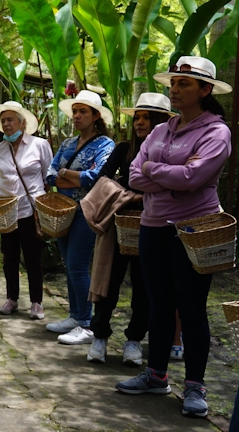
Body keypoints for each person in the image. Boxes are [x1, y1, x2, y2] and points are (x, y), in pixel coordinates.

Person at [116, 56, 232, 419]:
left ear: (205, 90)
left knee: (193, 309)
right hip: (152, 226)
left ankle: (195, 385)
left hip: (195, 231)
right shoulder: (161, 129)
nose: (175, 88)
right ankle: (156, 374)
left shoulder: (216, 132)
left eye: (185, 83)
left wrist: (157, 169)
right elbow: (135, 175)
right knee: (159, 304)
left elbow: (193, 179)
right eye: (174, 82)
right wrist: (168, 171)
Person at [84, 93, 174, 365]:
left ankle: (134, 340)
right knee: (107, 281)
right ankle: (99, 336)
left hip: (154, 225)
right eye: (138, 117)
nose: (140, 122)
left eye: (147, 117)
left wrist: (132, 187)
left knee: (145, 287)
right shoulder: (124, 149)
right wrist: (133, 192)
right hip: (117, 225)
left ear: (160, 122)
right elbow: (104, 178)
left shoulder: (170, 152)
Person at [44, 90, 115, 343]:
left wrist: (66, 174)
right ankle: (75, 315)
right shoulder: (66, 144)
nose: (76, 116)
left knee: (77, 265)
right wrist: (71, 175)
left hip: (87, 211)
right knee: (69, 264)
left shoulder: (106, 145)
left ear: (96, 116)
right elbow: (50, 175)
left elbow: (95, 178)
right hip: (62, 211)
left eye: (83, 111)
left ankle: (86, 323)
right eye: (75, 111)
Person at [0, 101, 53, 319]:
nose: (6, 124)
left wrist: (44, 206)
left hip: (30, 209)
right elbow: (1, 180)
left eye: (10, 120)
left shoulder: (39, 145)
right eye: (3, 120)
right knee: (9, 257)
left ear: (22, 123)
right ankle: (12, 299)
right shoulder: (0, 148)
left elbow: (47, 178)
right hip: (6, 211)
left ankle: (36, 302)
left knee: (33, 256)